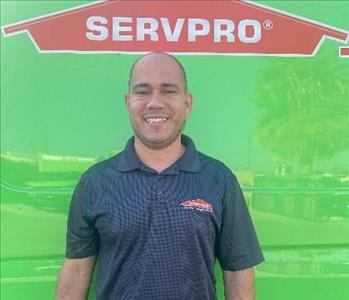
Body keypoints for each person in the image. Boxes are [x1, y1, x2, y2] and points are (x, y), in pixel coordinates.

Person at [56, 52, 264, 300]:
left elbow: (238, 271)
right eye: (142, 91)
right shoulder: (95, 182)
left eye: (168, 90)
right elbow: (77, 269)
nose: (155, 102)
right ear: (128, 102)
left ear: (187, 103)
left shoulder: (219, 179)